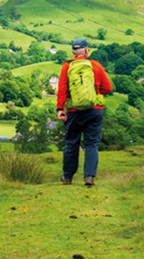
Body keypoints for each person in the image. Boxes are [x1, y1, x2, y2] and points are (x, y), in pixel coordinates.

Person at [56, 37, 112, 187]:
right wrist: (95, 94)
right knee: (92, 144)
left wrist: (60, 109)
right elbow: (108, 88)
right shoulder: (95, 65)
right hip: (94, 110)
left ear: (73, 51)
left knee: (71, 144)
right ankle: (89, 177)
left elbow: (62, 89)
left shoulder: (67, 66)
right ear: (87, 50)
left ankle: (67, 177)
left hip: (73, 111)